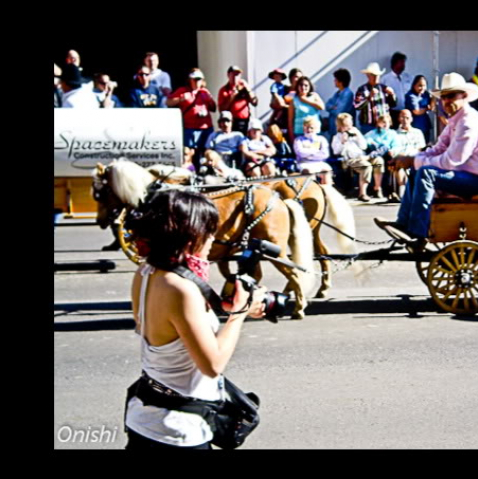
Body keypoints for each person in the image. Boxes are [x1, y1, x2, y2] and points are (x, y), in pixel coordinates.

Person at [124, 189, 266, 450]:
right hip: (177, 430)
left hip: (145, 416)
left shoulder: (147, 271)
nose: (213, 238)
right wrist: (238, 315)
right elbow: (212, 364)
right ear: (190, 234)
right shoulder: (180, 289)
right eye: (209, 230)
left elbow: (174, 324)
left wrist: (228, 307)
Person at [374, 72, 478, 250]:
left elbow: (452, 161)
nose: (446, 101)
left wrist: (413, 161)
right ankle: (404, 224)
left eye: (451, 96)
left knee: (426, 172)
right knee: (418, 170)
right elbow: (437, 149)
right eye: (444, 97)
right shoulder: (456, 121)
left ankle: (418, 233)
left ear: (464, 96)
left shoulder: (469, 123)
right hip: (472, 177)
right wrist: (410, 160)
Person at [166, 68, 217, 165]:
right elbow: (168, 102)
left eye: (199, 79)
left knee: (207, 152)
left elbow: (213, 108)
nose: (197, 82)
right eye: (195, 79)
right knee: (190, 153)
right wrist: (181, 99)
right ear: (190, 80)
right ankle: (192, 170)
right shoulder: (183, 90)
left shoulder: (204, 92)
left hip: (206, 128)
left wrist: (210, 100)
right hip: (190, 128)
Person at [331, 112, 378, 201]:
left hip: (362, 157)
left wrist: (358, 136)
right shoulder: (337, 137)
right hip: (349, 160)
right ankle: (363, 193)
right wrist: (343, 142)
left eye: (350, 124)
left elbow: (364, 146)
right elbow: (336, 151)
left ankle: (377, 189)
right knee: (365, 166)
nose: (349, 127)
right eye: (346, 125)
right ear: (340, 126)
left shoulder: (356, 133)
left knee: (378, 161)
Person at [389, 109, 426, 202]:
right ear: (398, 119)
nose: (405, 120)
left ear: (411, 119)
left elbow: (421, 148)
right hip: (401, 157)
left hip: (414, 157)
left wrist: (412, 157)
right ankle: (402, 194)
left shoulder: (418, 132)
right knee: (400, 166)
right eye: (402, 117)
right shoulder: (394, 134)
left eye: (407, 117)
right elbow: (394, 149)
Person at [354, 62, 397, 135]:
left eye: (377, 75)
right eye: (373, 75)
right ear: (368, 76)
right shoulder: (362, 89)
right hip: (368, 125)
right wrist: (369, 97)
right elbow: (357, 106)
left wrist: (392, 94)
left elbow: (393, 104)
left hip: (383, 124)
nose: (375, 77)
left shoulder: (384, 88)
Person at [363, 113, 397, 201]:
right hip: (376, 156)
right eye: (383, 122)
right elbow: (365, 140)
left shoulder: (392, 133)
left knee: (385, 147)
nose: (385, 124)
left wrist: (393, 150)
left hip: (388, 155)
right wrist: (371, 142)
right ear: (378, 123)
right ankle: (377, 188)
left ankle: (369, 156)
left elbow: (396, 145)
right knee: (379, 160)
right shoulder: (372, 133)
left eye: (387, 122)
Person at [218, 65, 258, 135]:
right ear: (228, 75)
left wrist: (248, 89)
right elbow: (222, 109)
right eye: (233, 74)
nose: (235, 77)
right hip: (232, 122)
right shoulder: (224, 90)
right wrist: (232, 96)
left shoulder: (244, 88)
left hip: (246, 121)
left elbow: (254, 102)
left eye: (237, 75)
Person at [293, 116, 332, 184]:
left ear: (316, 128)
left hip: (319, 163)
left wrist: (308, 153)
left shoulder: (321, 139)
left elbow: (325, 154)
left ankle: (327, 190)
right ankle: (312, 191)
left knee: (326, 171)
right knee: (309, 172)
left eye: (311, 127)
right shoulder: (299, 140)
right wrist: (315, 151)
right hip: (304, 163)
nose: (309, 129)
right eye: (306, 127)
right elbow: (300, 153)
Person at [287, 76, 325, 144]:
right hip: (299, 132)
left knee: (315, 152)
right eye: (301, 85)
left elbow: (321, 107)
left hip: (314, 132)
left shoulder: (314, 96)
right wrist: (291, 136)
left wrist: (305, 100)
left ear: (310, 86)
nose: (303, 87)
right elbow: (290, 120)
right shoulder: (294, 100)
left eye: (306, 85)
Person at [381, 52, 413, 129]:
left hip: (407, 111)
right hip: (393, 112)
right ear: (394, 63)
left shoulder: (409, 77)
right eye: (401, 62)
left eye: (404, 63)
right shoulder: (385, 79)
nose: (403, 65)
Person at [405, 75, 436, 143]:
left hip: (425, 125)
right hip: (415, 125)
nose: (422, 88)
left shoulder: (426, 94)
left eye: (424, 85)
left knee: (426, 144)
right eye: (420, 85)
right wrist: (426, 109)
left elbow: (432, 107)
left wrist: (434, 96)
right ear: (414, 85)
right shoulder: (410, 96)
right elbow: (416, 111)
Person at [325, 68, 355, 138]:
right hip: (334, 129)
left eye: (335, 80)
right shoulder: (337, 93)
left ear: (341, 82)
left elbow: (339, 111)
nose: (334, 81)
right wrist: (332, 107)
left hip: (344, 131)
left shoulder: (348, 94)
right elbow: (327, 105)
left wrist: (332, 108)